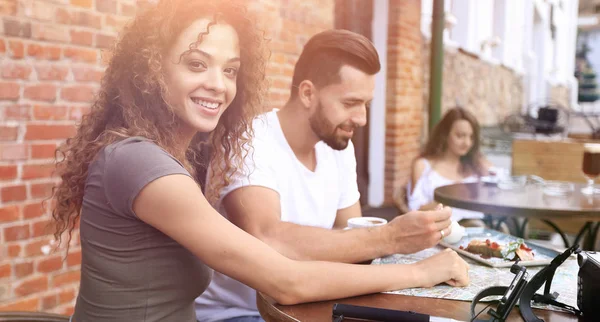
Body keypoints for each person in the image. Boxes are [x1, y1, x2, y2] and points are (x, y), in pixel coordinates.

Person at [49, 2, 470, 322]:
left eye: (231, 70)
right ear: (153, 69)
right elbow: (286, 281)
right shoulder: (139, 163)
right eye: (197, 64)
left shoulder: (183, 157)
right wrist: (421, 270)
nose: (218, 84)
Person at [195, 30, 471, 322]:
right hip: (242, 315)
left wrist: (415, 230)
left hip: (316, 305)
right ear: (307, 93)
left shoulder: (337, 147)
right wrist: (392, 238)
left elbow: (353, 241)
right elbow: (269, 238)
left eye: (365, 104)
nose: (362, 119)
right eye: (350, 103)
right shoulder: (249, 140)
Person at [408, 107, 493, 225]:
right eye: (460, 136)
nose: (467, 143)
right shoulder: (423, 166)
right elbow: (416, 210)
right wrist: (452, 199)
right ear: (445, 135)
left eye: (471, 137)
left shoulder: (477, 164)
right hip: (443, 229)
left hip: (482, 228)